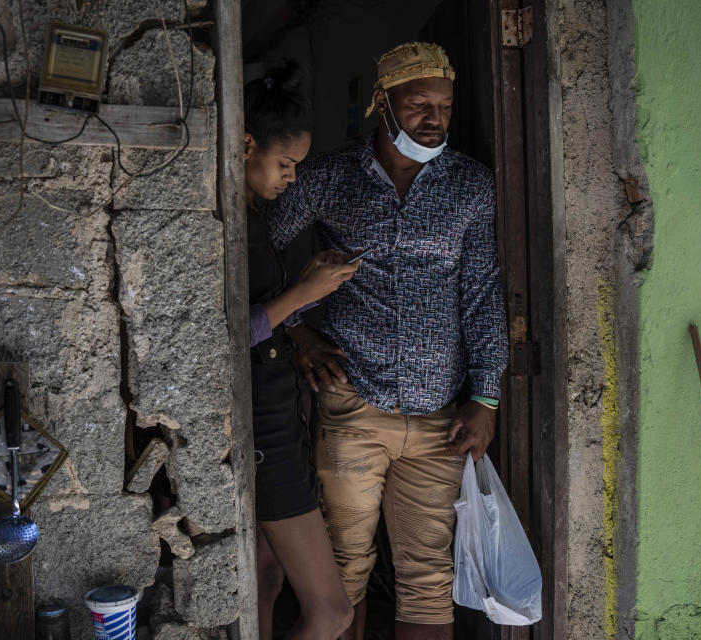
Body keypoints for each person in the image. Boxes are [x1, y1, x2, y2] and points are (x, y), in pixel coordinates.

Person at [272, 43, 508, 640]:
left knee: (428, 577)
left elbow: (482, 296)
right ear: (383, 103)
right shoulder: (329, 178)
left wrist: (485, 399)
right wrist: (294, 327)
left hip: (440, 417)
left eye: (445, 106)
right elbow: (257, 244)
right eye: (417, 104)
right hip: (353, 403)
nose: (433, 119)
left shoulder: (471, 188)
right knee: (342, 571)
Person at [243, 61, 357, 640]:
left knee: (264, 579)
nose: (292, 179)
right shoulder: (224, 224)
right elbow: (226, 336)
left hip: (277, 409)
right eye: (285, 164)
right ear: (246, 145)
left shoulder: (256, 219)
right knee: (333, 613)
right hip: (258, 427)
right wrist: (301, 295)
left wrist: (307, 280)